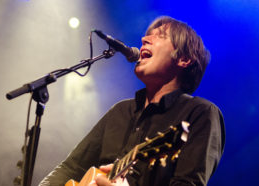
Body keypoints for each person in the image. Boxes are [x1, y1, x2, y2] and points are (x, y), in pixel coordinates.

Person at [39, 16, 225, 186]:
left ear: (184, 59)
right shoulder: (120, 111)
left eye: (160, 36)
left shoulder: (200, 113)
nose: (144, 39)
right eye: (147, 36)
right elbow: (70, 169)